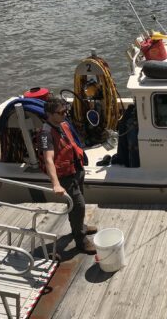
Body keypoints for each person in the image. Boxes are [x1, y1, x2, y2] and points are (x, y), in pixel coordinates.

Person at [39, 97, 98, 254]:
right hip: (65, 176)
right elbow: (48, 159)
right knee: (78, 205)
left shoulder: (63, 124)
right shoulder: (46, 133)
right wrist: (56, 184)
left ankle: (80, 227)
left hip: (76, 169)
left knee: (79, 204)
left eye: (66, 111)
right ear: (50, 114)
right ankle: (81, 239)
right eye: (61, 112)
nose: (65, 114)